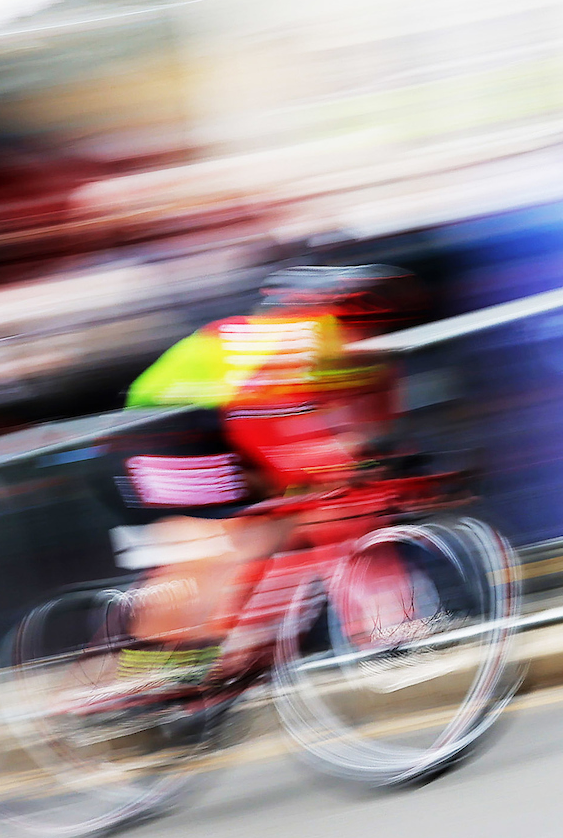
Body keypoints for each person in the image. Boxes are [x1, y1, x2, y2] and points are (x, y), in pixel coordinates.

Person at [86, 264, 424, 705]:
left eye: (373, 321)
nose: (366, 332)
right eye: (352, 319)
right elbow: (268, 434)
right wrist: (329, 469)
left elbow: (372, 439)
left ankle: (230, 641)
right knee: (221, 540)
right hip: (164, 432)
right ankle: (148, 666)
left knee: (297, 514)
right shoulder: (284, 341)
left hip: (224, 435)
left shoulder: (373, 357)